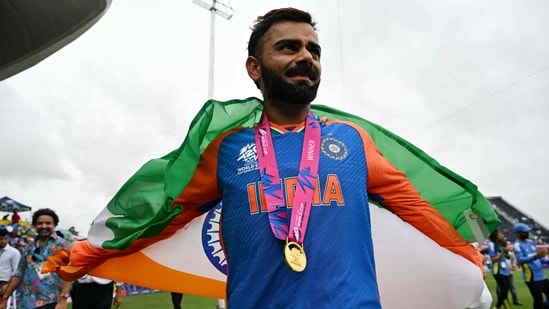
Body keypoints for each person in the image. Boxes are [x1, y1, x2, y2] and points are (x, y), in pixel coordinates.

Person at [160, 7, 483, 307]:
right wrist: (109, 247)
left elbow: (417, 210)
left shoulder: (352, 140)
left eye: (313, 51)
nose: (306, 57)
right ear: (254, 67)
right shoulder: (227, 149)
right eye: (288, 48)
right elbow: (167, 215)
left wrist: (470, 262)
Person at [0, 208, 72, 309]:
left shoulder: (63, 245)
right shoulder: (29, 247)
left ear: (54, 225)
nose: (44, 226)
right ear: (34, 225)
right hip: (26, 302)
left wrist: (63, 299)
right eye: (40, 223)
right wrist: (4, 298)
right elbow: (18, 274)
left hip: (50, 301)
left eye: (48, 223)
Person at [513, 223, 549, 309]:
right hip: (531, 278)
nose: (527, 233)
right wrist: (536, 256)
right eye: (525, 232)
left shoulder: (531, 242)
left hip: (542, 277)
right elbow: (520, 260)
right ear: (518, 233)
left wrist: (547, 260)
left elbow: (540, 258)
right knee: (538, 300)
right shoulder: (517, 245)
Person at [488, 229, 512, 309]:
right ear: (495, 234)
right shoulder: (491, 244)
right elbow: (493, 259)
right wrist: (502, 252)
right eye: (499, 233)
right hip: (497, 269)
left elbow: (508, 257)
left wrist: (507, 251)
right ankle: (497, 307)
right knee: (504, 290)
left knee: (506, 290)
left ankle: (501, 306)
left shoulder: (502, 243)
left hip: (505, 270)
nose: (501, 234)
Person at [0, 228, 20, 295]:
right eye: (1, 239)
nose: (3, 241)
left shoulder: (14, 252)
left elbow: (16, 271)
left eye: (5, 239)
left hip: (5, 282)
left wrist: (9, 285)